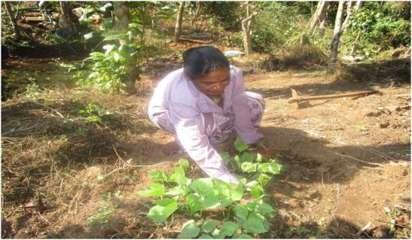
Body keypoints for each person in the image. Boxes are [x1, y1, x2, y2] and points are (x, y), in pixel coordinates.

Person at [147, 46, 265, 184]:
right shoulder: (182, 94)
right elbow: (194, 139)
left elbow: (240, 105)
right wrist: (224, 177)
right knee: (207, 126)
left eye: (224, 81)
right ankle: (193, 141)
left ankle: (217, 135)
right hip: (167, 115)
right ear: (191, 78)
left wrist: (251, 139)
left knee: (255, 102)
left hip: (210, 110)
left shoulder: (234, 74)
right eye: (208, 83)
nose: (218, 87)